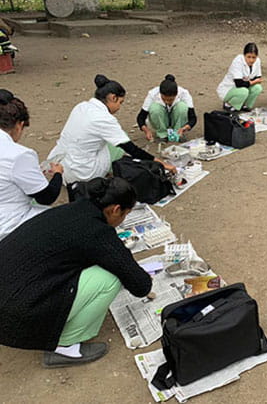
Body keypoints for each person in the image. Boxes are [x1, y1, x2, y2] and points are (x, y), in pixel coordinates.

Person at [0, 177, 152, 367]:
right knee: (110, 279)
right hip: (13, 315)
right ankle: (65, 346)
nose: (123, 220)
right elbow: (141, 286)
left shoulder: (71, 209)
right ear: (115, 209)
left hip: (9, 285)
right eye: (125, 214)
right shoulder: (96, 231)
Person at [49, 74, 176, 189]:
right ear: (113, 98)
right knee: (120, 141)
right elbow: (132, 149)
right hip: (83, 173)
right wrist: (162, 164)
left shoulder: (81, 106)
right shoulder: (104, 119)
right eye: (120, 102)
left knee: (108, 139)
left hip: (61, 168)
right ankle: (111, 170)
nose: (119, 107)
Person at [0, 89, 63, 241]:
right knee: (65, 220)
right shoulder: (19, 155)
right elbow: (46, 197)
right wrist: (57, 174)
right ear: (19, 125)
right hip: (8, 224)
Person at [137, 74, 197, 142]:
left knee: (182, 107)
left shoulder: (184, 93)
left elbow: (193, 118)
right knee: (155, 108)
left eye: (171, 99)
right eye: (164, 99)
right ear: (160, 93)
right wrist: (147, 131)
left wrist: (185, 128)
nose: (167, 102)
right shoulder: (153, 94)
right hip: (161, 119)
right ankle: (162, 134)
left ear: (176, 94)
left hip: (176, 118)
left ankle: (178, 132)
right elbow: (141, 118)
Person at [217, 43, 263, 112]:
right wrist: (252, 82)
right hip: (229, 89)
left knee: (258, 88)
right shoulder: (237, 61)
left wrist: (250, 82)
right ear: (244, 55)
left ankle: (245, 105)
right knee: (244, 91)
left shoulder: (258, 61)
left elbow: (258, 77)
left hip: (243, 85)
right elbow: (238, 83)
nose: (251, 60)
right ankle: (229, 104)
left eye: (254, 57)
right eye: (248, 57)